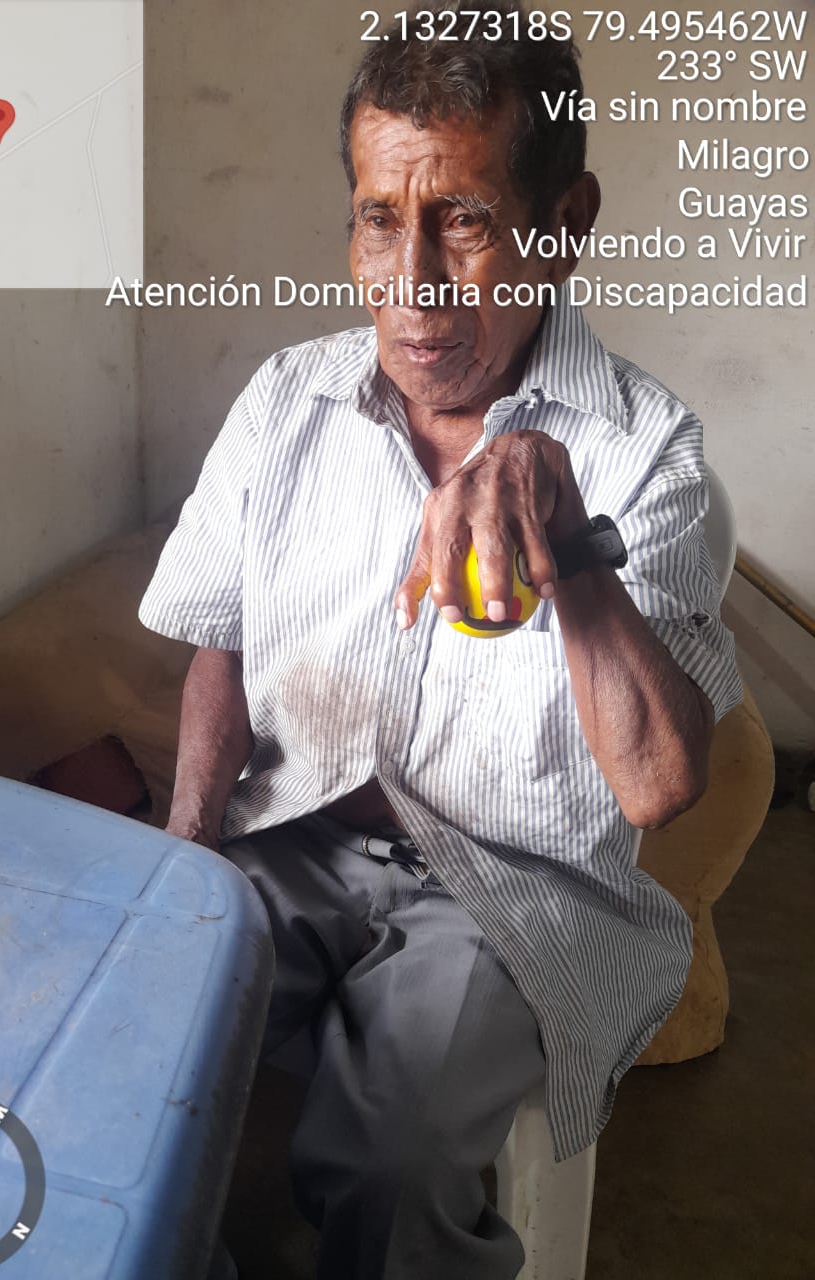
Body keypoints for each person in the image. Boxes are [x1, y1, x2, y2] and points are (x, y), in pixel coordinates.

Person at [139, 7, 742, 1278]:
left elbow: (658, 781)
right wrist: (184, 858)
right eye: (378, 218)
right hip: (288, 839)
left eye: (461, 220)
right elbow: (220, 642)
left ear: (564, 224)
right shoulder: (288, 401)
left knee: (392, 1156)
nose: (410, 284)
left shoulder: (650, 451)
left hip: (510, 887)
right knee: (124, 1040)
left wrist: (568, 534)